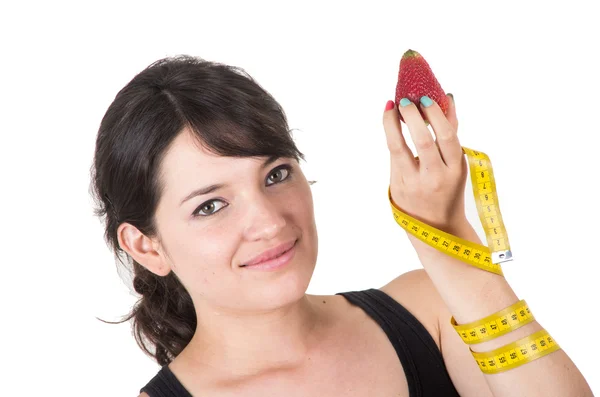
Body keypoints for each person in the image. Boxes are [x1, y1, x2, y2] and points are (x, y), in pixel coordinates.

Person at [91, 55, 593, 397]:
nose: (268, 221)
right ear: (146, 246)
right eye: (210, 206)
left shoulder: (431, 313)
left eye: (276, 173)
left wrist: (445, 232)